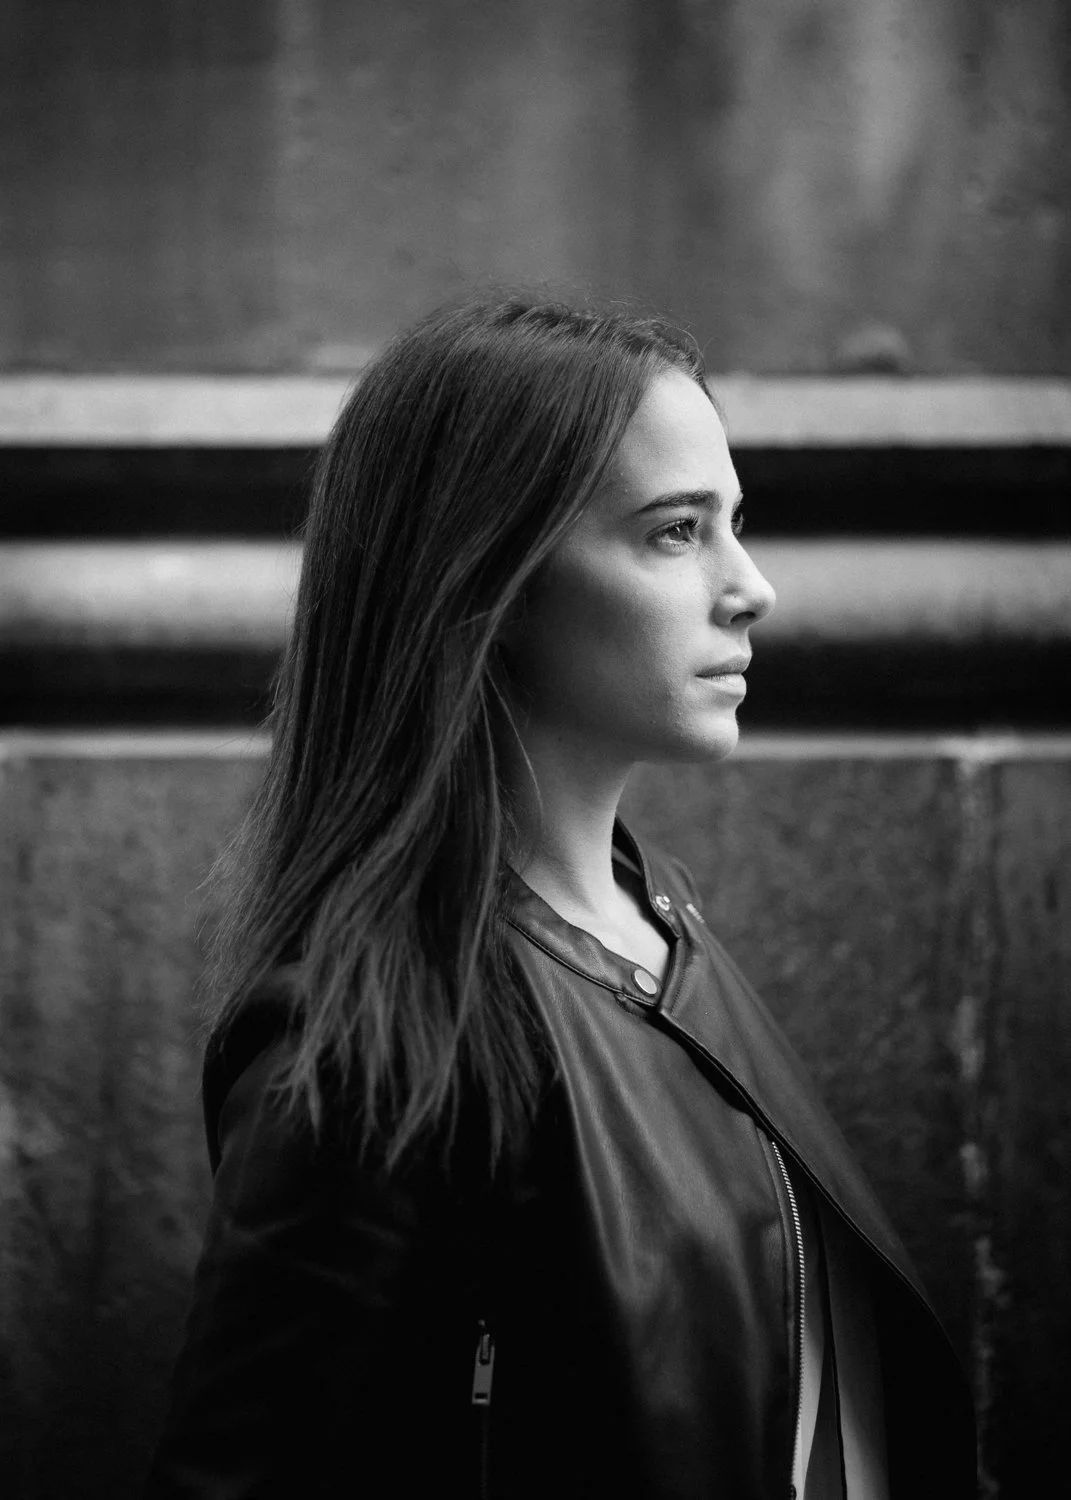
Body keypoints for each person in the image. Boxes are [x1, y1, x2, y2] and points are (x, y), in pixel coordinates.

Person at [144, 295, 976, 1498]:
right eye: (676, 533)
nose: (754, 590)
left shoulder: (663, 936)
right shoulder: (381, 1038)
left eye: (737, 526)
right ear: (492, 576)